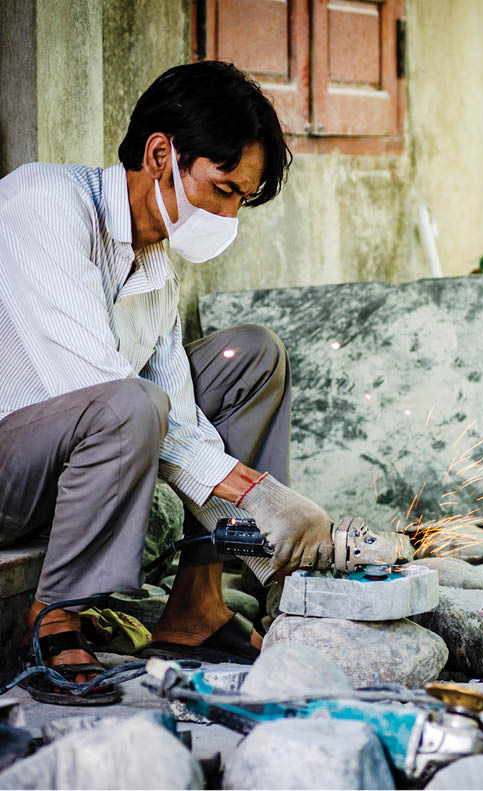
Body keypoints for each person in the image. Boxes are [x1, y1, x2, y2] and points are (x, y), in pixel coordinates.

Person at [0, 61, 333, 705]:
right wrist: (256, 493)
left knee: (251, 357)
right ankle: (55, 615)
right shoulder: (42, 203)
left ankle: (195, 607)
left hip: (84, 455)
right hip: (12, 470)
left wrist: (256, 496)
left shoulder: (155, 259)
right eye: (223, 188)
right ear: (161, 154)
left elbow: (175, 400)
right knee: (131, 403)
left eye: (242, 198)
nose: (229, 212)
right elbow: (98, 387)